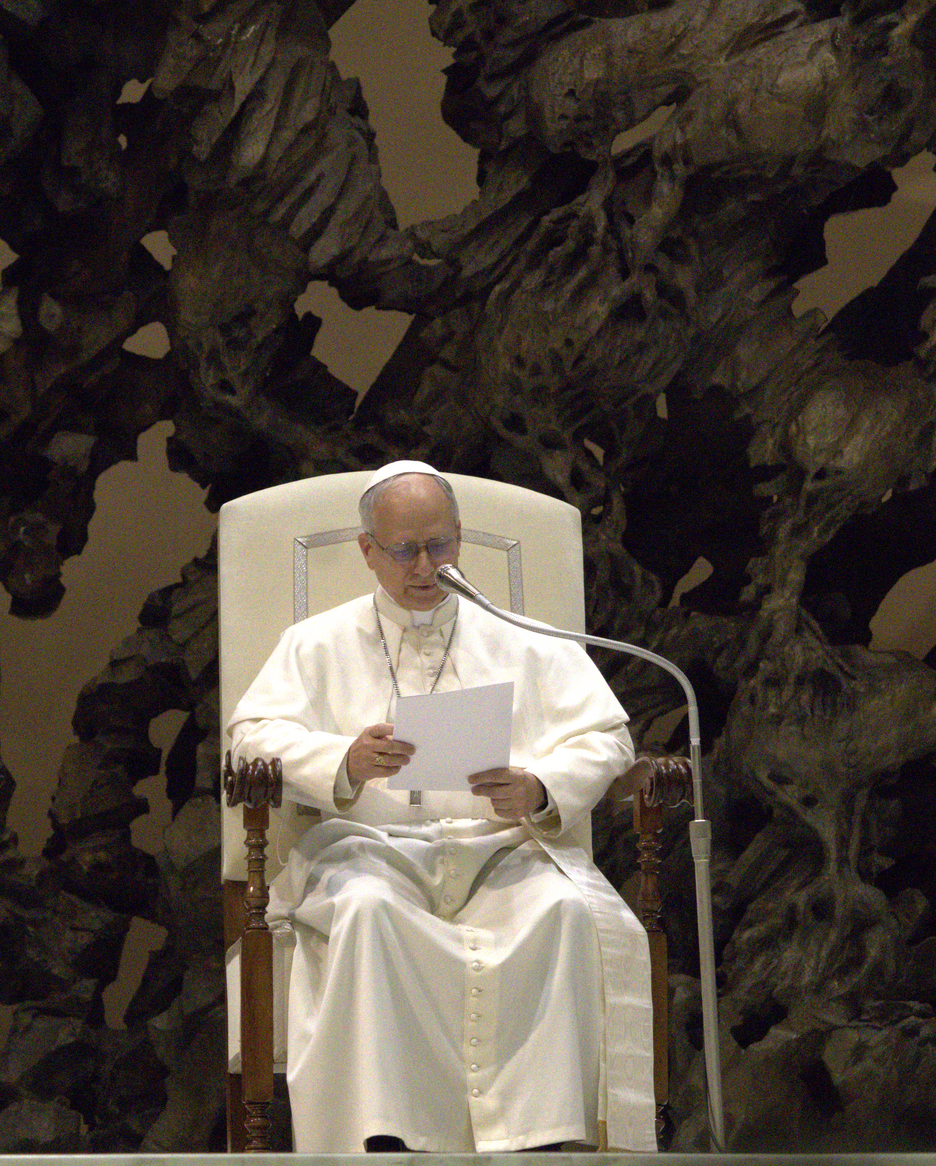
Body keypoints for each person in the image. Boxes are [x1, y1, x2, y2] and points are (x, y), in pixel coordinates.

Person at [226, 462, 654, 1153]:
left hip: (500, 854)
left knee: (564, 911)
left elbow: (607, 737)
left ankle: (540, 1142)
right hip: (369, 855)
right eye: (404, 550)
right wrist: (343, 760)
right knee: (368, 913)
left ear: (460, 540)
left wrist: (538, 787)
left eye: (441, 547)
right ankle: (387, 1141)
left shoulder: (523, 637)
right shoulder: (315, 644)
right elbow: (250, 740)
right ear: (368, 550)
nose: (424, 567)